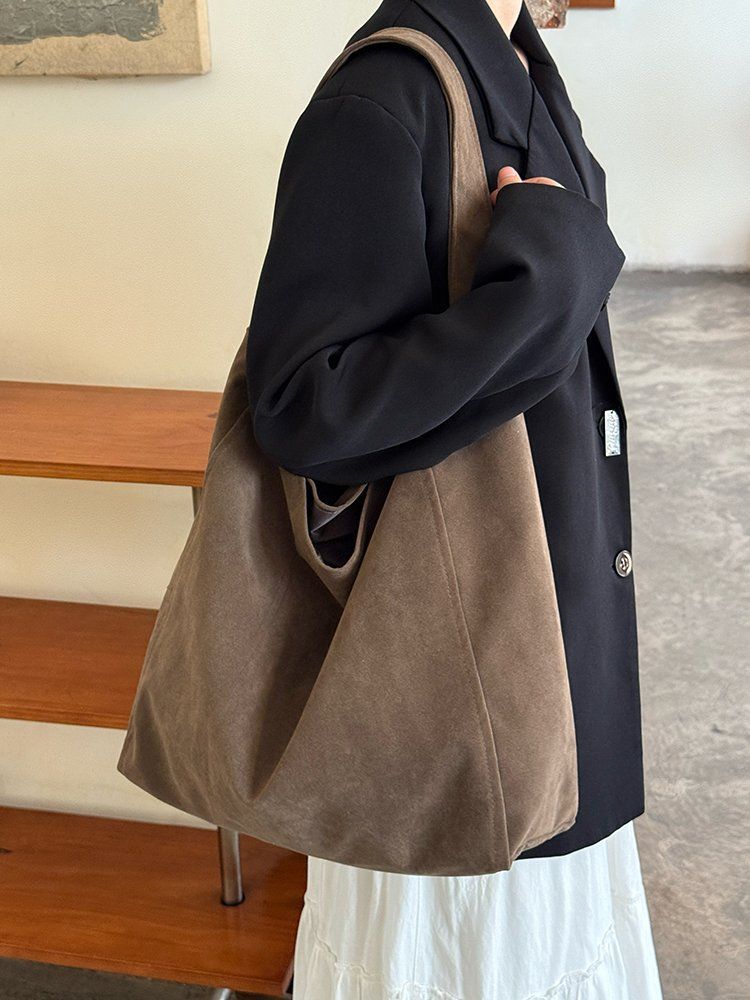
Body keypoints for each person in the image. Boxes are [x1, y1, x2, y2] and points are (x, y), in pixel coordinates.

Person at [244, 0, 664, 996]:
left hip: (539, 627)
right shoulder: (387, 98)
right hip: (462, 679)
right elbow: (305, 406)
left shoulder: (514, 65)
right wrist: (542, 285)